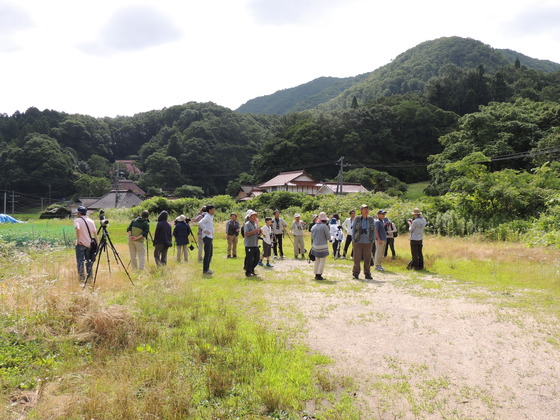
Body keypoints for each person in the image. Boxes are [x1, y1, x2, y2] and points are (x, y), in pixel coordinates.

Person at [74, 206, 98, 282]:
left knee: (80, 261)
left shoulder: (77, 220)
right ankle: (90, 277)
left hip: (81, 243)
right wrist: (97, 243)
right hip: (89, 244)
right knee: (89, 261)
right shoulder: (91, 221)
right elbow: (95, 233)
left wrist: (78, 240)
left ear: (79, 213)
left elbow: (78, 228)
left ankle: (81, 279)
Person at [351, 204, 375, 280]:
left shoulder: (371, 219)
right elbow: (353, 229)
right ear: (361, 210)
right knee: (357, 259)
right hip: (358, 241)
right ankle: (356, 274)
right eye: (364, 209)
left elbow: (373, 230)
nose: (366, 211)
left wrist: (372, 240)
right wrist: (353, 240)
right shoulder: (357, 219)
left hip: (368, 241)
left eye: (367, 209)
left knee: (367, 258)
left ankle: (367, 274)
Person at [310, 212, 330, 280]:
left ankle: (316, 274)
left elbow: (312, 237)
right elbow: (328, 237)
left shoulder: (314, 226)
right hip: (323, 246)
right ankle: (319, 275)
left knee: (317, 260)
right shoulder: (325, 226)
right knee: (322, 261)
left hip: (315, 246)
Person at [243, 210, 261, 277]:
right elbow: (246, 234)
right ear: (249, 217)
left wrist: (259, 232)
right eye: (253, 216)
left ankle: (252, 270)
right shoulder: (247, 224)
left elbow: (256, 233)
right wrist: (255, 231)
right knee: (249, 259)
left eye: (256, 216)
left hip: (255, 244)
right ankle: (248, 272)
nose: (255, 217)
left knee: (257, 258)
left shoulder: (255, 224)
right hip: (249, 245)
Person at [199, 205, 216, 274]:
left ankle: (207, 268)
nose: (214, 211)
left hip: (210, 237)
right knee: (207, 253)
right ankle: (205, 269)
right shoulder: (207, 216)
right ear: (210, 210)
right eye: (213, 209)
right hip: (207, 236)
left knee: (210, 253)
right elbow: (200, 222)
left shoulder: (210, 217)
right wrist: (205, 230)